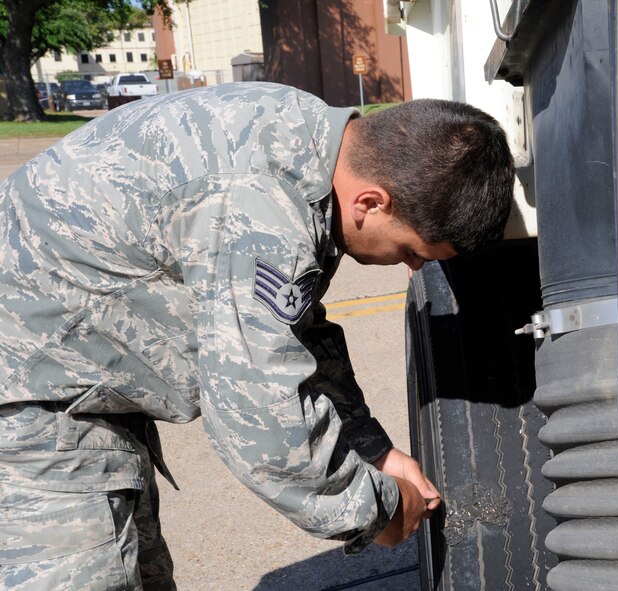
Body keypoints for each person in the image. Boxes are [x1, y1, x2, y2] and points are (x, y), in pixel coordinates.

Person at [0, 82, 515, 590]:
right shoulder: (259, 205)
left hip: (71, 381)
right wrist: (377, 510)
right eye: (410, 252)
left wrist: (373, 450)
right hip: (31, 398)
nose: (410, 271)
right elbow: (262, 418)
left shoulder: (311, 144)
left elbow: (292, 332)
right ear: (371, 202)